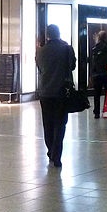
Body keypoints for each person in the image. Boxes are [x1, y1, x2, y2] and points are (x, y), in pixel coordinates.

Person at [35, 24, 76, 168]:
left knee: (48, 122)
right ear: (59, 33)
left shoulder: (40, 51)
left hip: (45, 92)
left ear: (47, 35)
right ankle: (56, 155)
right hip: (61, 92)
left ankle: (50, 149)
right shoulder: (66, 48)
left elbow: (40, 68)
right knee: (60, 123)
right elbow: (72, 66)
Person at [90, 30, 107, 119]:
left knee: (97, 94)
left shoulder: (95, 48)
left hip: (97, 74)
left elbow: (93, 63)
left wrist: (92, 74)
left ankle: (96, 112)